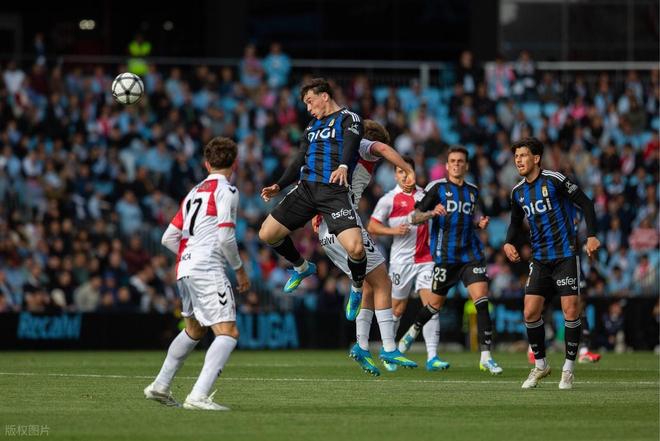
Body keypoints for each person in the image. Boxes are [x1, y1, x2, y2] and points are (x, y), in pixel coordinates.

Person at [144, 137, 250, 411]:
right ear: (235, 163)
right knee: (228, 332)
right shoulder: (227, 190)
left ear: (206, 164)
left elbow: (168, 237)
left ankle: (160, 385)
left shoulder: (194, 192)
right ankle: (198, 396)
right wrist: (239, 271)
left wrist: (189, 253)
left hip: (185, 267)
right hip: (207, 267)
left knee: (194, 329)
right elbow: (226, 237)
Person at [315, 119, 418, 375]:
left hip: (328, 228)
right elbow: (381, 149)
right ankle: (389, 347)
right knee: (383, 283)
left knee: (371, 284)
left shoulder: (338, 153)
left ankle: (361, 345)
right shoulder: (363, 147)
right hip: (345, 224)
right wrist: (407, 167)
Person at [259, 78, 368, 305]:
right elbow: (299, 159)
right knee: (267, 234)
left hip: (334, 191)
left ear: (324, 96)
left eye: (310, 101)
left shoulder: (349, 118)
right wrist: (279, 185)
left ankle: (357, 287)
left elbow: (351, 144)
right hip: (306, 189)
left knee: (356, 249)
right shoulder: (311, 127)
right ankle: (302, 267)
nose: (308, 108)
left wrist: (343, 166)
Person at [503, 137, 600, 390]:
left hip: (565, 255)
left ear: (536, 158)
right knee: (530, 312)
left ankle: (568, 370)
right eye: (516, 157)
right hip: (539, 259)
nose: (518, 160)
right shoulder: (517, 192)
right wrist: (508, 242)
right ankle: (541, 365)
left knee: (571, 310)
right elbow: (515, 222)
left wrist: (591, 236)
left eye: (523, 155)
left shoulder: (555, 180)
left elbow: (586, 202)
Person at [401, 146, 503, 375]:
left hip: (471, 255)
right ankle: (414, 329)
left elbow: (466, 221)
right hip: (446, 257)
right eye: (453, 161)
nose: (456, 164)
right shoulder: (436, 188)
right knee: (434, 306)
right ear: (447, 166)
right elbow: (414, 217)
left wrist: (479, 224)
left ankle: (486, 357)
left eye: (460, 161)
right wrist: (431, 213)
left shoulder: (473, 191)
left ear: (466, 166)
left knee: (482, 301)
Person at [367, 156, 450, 372]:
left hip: (426, 259)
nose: (405, 176)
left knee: (431, 306)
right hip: (400, 261)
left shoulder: (426, 195)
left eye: (408, 171)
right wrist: (393, 231)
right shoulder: (388, 199)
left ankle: (432, 357)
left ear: (415, 173)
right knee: (397, 308)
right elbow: (372, 227)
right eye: (400, 172)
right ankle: (389, 351)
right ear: (395, 175)